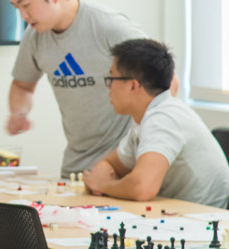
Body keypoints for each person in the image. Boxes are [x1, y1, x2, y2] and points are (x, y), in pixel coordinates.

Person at [0, 0, 149, 177]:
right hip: (75, 167)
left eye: (25, 4)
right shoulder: (34, 37)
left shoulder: (109, 27)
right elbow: (22, 85)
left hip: (122, 166)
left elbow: (165, 81)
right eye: (16, 8)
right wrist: (19, 112)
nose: (23, 15)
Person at [83, 39, 229, 207]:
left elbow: (142, 188)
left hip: (205, 220)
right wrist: (100, 176)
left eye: (112, 78)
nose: (108, 87)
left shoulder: (164, 118)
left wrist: (104, 185)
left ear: (133, 86)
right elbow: (112, 164)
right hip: (180, 214)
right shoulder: (146, 116)